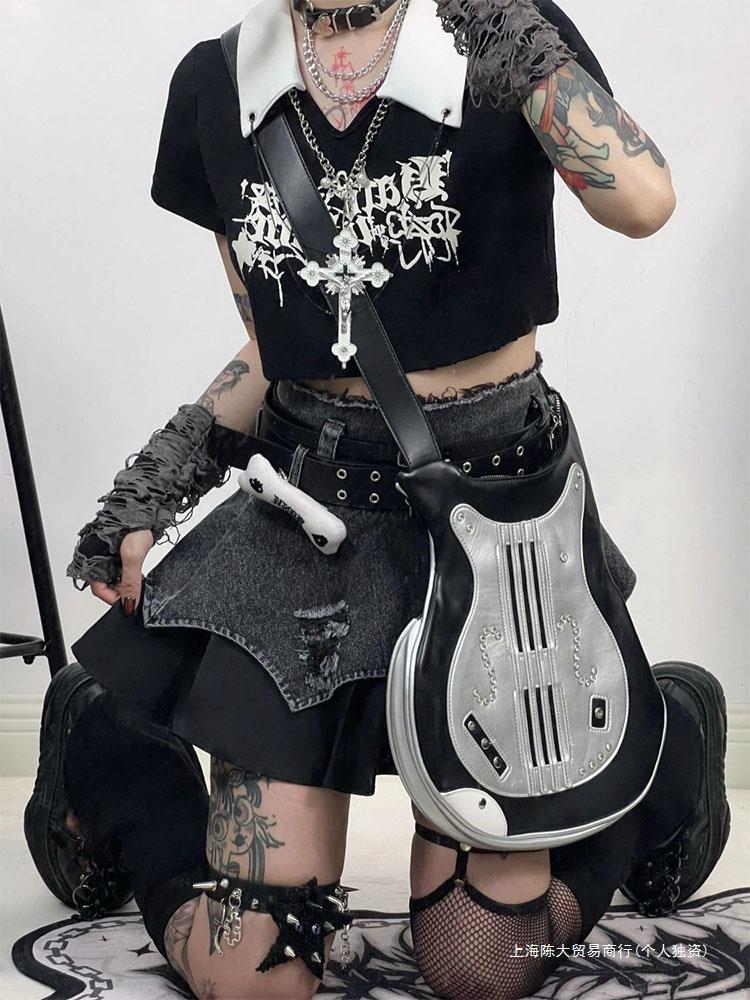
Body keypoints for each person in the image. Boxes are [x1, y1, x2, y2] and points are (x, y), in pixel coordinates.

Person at [25, 1, 731, 998]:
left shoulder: (499, 35)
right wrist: (158, 479)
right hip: (311, 518)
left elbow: (644, 200)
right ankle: (112, 753)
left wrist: (493, 20)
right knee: (253, 978)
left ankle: (665, 763)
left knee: (483, 968)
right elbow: (277, 345)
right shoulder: (217, 85)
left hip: (493, 519)